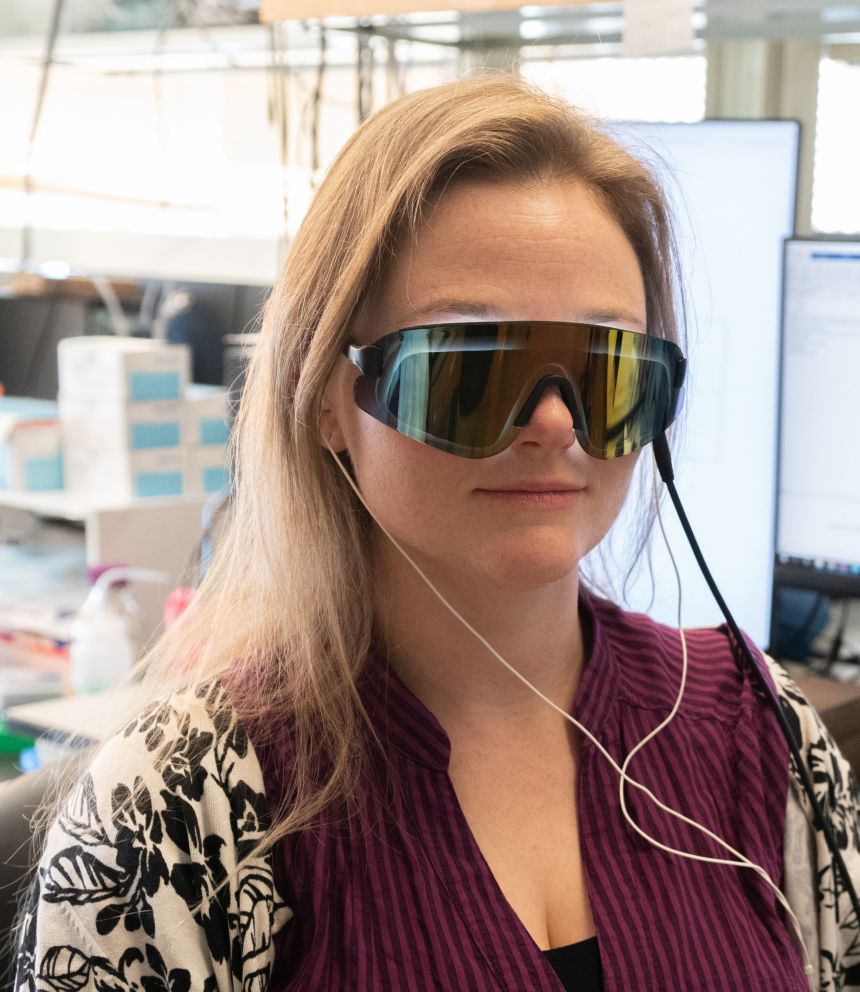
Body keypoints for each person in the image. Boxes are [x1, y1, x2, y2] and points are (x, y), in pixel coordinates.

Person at [13, 75, 860, 992]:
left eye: (606, 366)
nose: (555, 424)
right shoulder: (180, 806)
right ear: (332, 402)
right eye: (473, 366)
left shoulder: (761, 728)